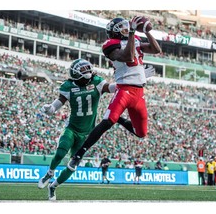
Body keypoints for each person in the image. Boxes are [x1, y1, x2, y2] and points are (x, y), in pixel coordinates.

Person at [67, 16, 161, 171]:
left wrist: (147, 32)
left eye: (127, 27)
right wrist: (131, 32)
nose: (127, 28)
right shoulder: (109, 45)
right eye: (123, 27)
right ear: (116, 30)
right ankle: (78, 154)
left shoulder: (135, 38)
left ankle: (120, 120)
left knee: (141, 133)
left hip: (139, 93)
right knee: (107, 121)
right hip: (124, 89)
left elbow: (156, 49)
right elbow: (128, 56)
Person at [37, 58, 118, 200]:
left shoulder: (96, 81)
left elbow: (112, 88)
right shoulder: (68, 86)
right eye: (83, 69)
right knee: (61, 151)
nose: (87, 71)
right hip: (72, 128)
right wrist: (51, 108)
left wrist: (129, 82)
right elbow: (59, 102)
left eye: (87, 68)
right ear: (75, 73)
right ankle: (50, 173)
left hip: (87, 133)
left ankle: (53, 186)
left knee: (73, 165)